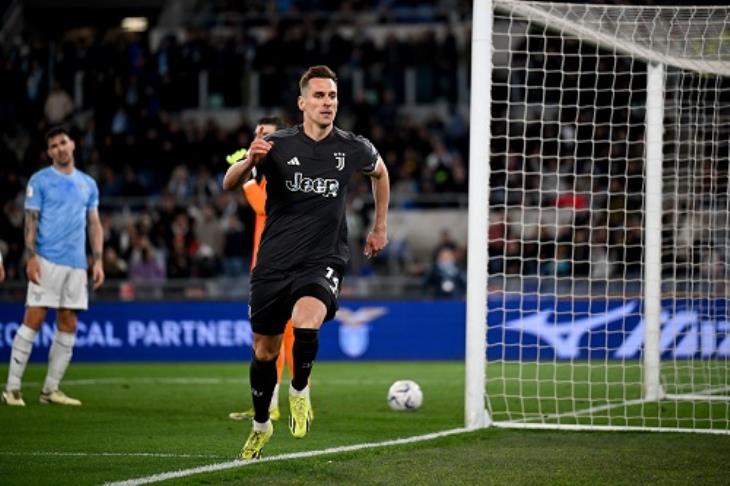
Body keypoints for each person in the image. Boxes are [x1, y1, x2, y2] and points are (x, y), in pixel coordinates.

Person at [222, 65, 389, 460]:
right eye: (319, 96)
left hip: (323, 258)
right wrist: (248, 161)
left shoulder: (353, 147)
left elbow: (380, 174)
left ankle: (299, 389)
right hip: (273, 262)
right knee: (265, 351)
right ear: (302, 103)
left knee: (306, 321)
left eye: (332, 96)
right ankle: (261, 424)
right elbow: (228, 183)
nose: (327, 102)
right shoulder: (276, 144)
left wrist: (380, 226)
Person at [2, 126, 104, 407]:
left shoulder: (88, 183)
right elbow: (30, 221)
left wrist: (98, 260)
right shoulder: (40, 180)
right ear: (49, 153)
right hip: (47, 259)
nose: (59, 148)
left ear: (73, 144)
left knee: (68, 322)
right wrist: (31, 256)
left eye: (63, 142)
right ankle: (12, 389)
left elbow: (94, 223)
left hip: (77, 264)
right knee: (34, 318)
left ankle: (50, 390)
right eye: (53, 146)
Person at [226, 116, 300, 423]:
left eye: (267, 134)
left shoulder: (285, 173)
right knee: (267, 339)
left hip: (285, 264)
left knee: (286, 337)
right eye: (257, 132)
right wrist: (248, 166)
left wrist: (246, 175)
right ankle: (270, 402)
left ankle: (292, 399)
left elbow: (263, 204)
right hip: (265, 264)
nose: (260, 137)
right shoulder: (263, 172)